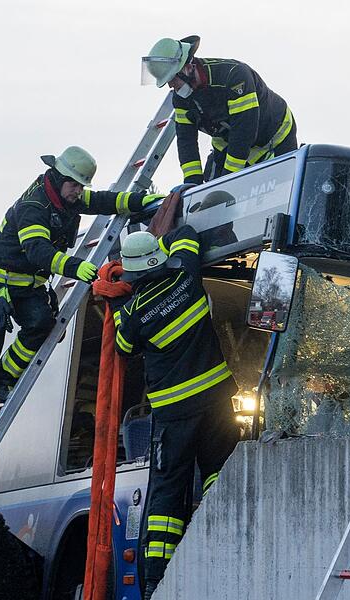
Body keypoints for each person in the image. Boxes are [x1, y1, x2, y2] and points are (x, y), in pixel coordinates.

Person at [0, 146, 163, 446]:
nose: (78, 191)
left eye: (81, 186)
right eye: (74, 184)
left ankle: (4, 378)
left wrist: (141, 202)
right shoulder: (34, 206)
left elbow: (104, 201)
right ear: (57, 177)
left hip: (26, 284)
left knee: (42, 324)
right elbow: (37, 251)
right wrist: (74, 267)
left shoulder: (68, 197)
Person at [109, 226, 240, 598]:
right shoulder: (186, 274)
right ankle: (222, 538)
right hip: (217, 401)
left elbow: (123, 347)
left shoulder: (135, 312)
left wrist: (116, 300)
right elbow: (185, 232)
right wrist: (162, 242)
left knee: (169, 490)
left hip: (174, 414)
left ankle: (156, 580)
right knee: (220, 471)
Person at [141, 35, 297, 184]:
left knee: (281, 186)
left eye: (172, 79)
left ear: (188, 68)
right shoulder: (181, 99)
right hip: (228, 143)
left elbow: (244, 131)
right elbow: (186, 140)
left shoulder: (234, 76)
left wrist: (229, 178)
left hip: (274, 136)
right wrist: (191, 181)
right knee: (212, 191)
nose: (170, 86)